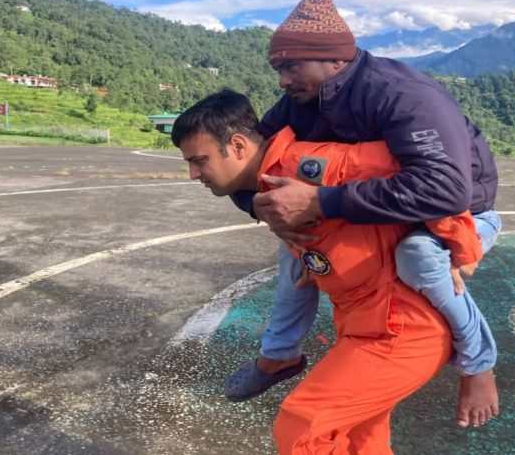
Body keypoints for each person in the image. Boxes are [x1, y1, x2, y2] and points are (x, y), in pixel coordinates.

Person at [225, 0, 502, 429]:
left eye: (290, 66)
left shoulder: (402, 93)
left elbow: (446, 190)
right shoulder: (303, 101)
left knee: (419, 257)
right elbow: (254, 161)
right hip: (378, 209)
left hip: (459, 217)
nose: (282, 80)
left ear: (332, 59)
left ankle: (478, 362)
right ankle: (280, 356)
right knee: (296, 250)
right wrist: (262, 208)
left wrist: (319, 200)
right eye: (278, 68)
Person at [170, 89, 483, 453]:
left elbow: (433, 177)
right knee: (360, 440)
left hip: (400, 330)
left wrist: (462, 245)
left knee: (302, 427)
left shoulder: (311, 165)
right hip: (358, 326)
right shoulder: (268, 189)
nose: (194, 174)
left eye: (199, 160)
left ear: (238, 146)